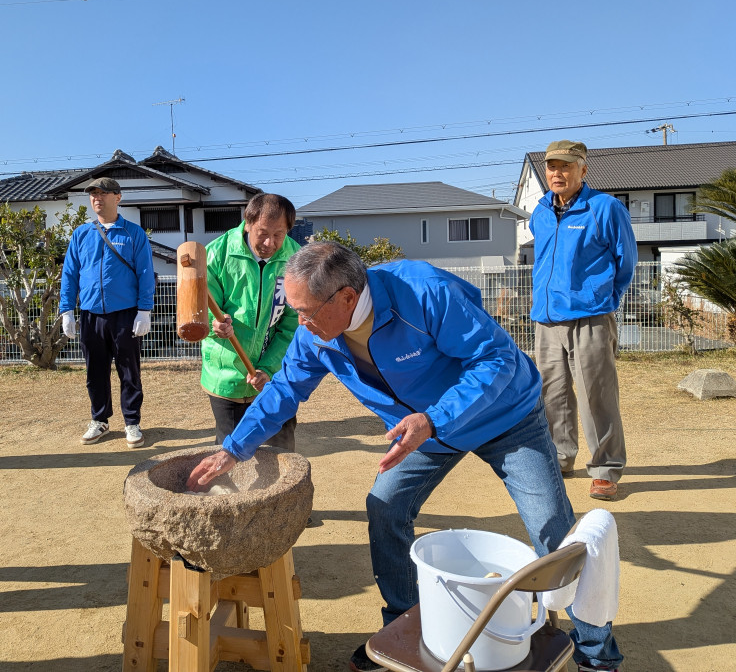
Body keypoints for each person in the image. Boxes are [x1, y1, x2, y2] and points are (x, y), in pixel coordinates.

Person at [188, 242, 623, 672]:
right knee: (386, 507)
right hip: (423, 433)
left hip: (504, 415)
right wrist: (233, 449)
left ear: (346, 297)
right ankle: (403, 625)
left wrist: (434, 419)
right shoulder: (315, 336)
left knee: (553, 530)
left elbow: (496, 359)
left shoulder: (423, 292)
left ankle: (596, 652)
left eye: (307, 312)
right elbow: (284, 390)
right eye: (296, 311)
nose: (301, 323)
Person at [530, 140, 637, 501]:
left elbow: (626, 262)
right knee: (552, 394)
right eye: (552, 166)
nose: (557, 173)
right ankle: (560, 457)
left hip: (591, 317)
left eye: (566, 166)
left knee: (596, 396)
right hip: (547, 319)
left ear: (583, 170)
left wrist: (604, 299)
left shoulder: (604, 208)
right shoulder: (540, 212)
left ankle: (606, 468)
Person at [60, 177, 155, 448]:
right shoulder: (81, 234)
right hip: (91, 314)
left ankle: (132, 422)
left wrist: (144, 310)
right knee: (95, 372)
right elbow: (70, 273)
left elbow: (145, 272)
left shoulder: (133, 233)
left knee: (129, 370)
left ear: (118, 197)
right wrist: (67, 310)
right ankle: (99, 419)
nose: (97, 198)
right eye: (93, 194)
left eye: (103, 193)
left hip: (126, 313)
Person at [202, 194, 301, 450]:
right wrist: (214, 325)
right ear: (248, 223)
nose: (270, 243)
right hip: (226, 372)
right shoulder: (216, 254)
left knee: (281, 448)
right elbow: (202, 311)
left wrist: (269, 369)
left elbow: (293, 325)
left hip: (276, 374)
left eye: (279, 234)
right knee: (231, 448)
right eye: (262, 233)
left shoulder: (296, 261)